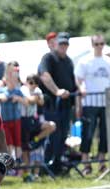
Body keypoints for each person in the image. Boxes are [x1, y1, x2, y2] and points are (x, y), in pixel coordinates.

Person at [38, 32, 77, 174]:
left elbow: (74, 82)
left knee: (62, 136)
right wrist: (57, 91)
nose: (64, 46)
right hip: (51, 106)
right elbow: (44, 76)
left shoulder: (68, 61)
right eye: (61, 43)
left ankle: (57, 166)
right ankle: (46, 167)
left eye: (66, 44)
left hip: (66, 106)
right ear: (56, 44)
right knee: (52, 136)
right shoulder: (48, 57)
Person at [75, 34, 110, 174]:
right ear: (92, 45)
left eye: (101, 44)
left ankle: (102, 162)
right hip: (90, 102)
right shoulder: (85, 61)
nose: (99, 47)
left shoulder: (108, 61)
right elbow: (78, 78)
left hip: (106, 103)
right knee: (87, 133)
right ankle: (86, 164)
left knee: (105, 134)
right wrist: (81, 88)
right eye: (97, 44)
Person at [20, 74, 56, 182]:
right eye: (28, 81)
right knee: (25, 149)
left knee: (51, 126)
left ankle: (36, 175)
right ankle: (26, 175)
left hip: (33, 121)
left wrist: (27, 98)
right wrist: (29, 98)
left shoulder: (37, 90)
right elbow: (32, 100)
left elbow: (39, 101)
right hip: (23, 121)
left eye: (33, 82)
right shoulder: (23, 89)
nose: (30, 84)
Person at [0, 62, 27, 164]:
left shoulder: (18, 91)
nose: (12, 81)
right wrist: (2, 98)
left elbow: (26, 102)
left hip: (16, 120)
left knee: (17, 141)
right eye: (9, 78)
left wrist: (18, 99)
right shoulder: (2, 91)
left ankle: (18, 159)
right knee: (9, 142)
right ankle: (10, 160)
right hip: (5, 121)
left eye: (14, 78)